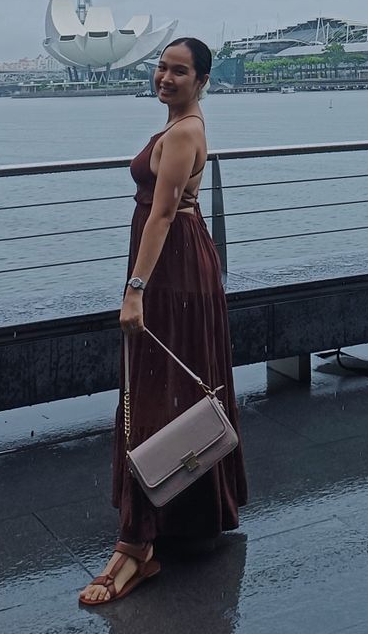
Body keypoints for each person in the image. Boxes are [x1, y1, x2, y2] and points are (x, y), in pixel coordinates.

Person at [79, 37, 248, 608]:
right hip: (176, 268)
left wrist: (135, 291)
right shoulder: (182, 125)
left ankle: (135, 547)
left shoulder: (181, 133)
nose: (165, 77)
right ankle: (182, 516)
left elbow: (162, 216)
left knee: (151, 396)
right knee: (176, 393)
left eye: (179, 71)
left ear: (202, 81)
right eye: (161, 67)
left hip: (169, 273)